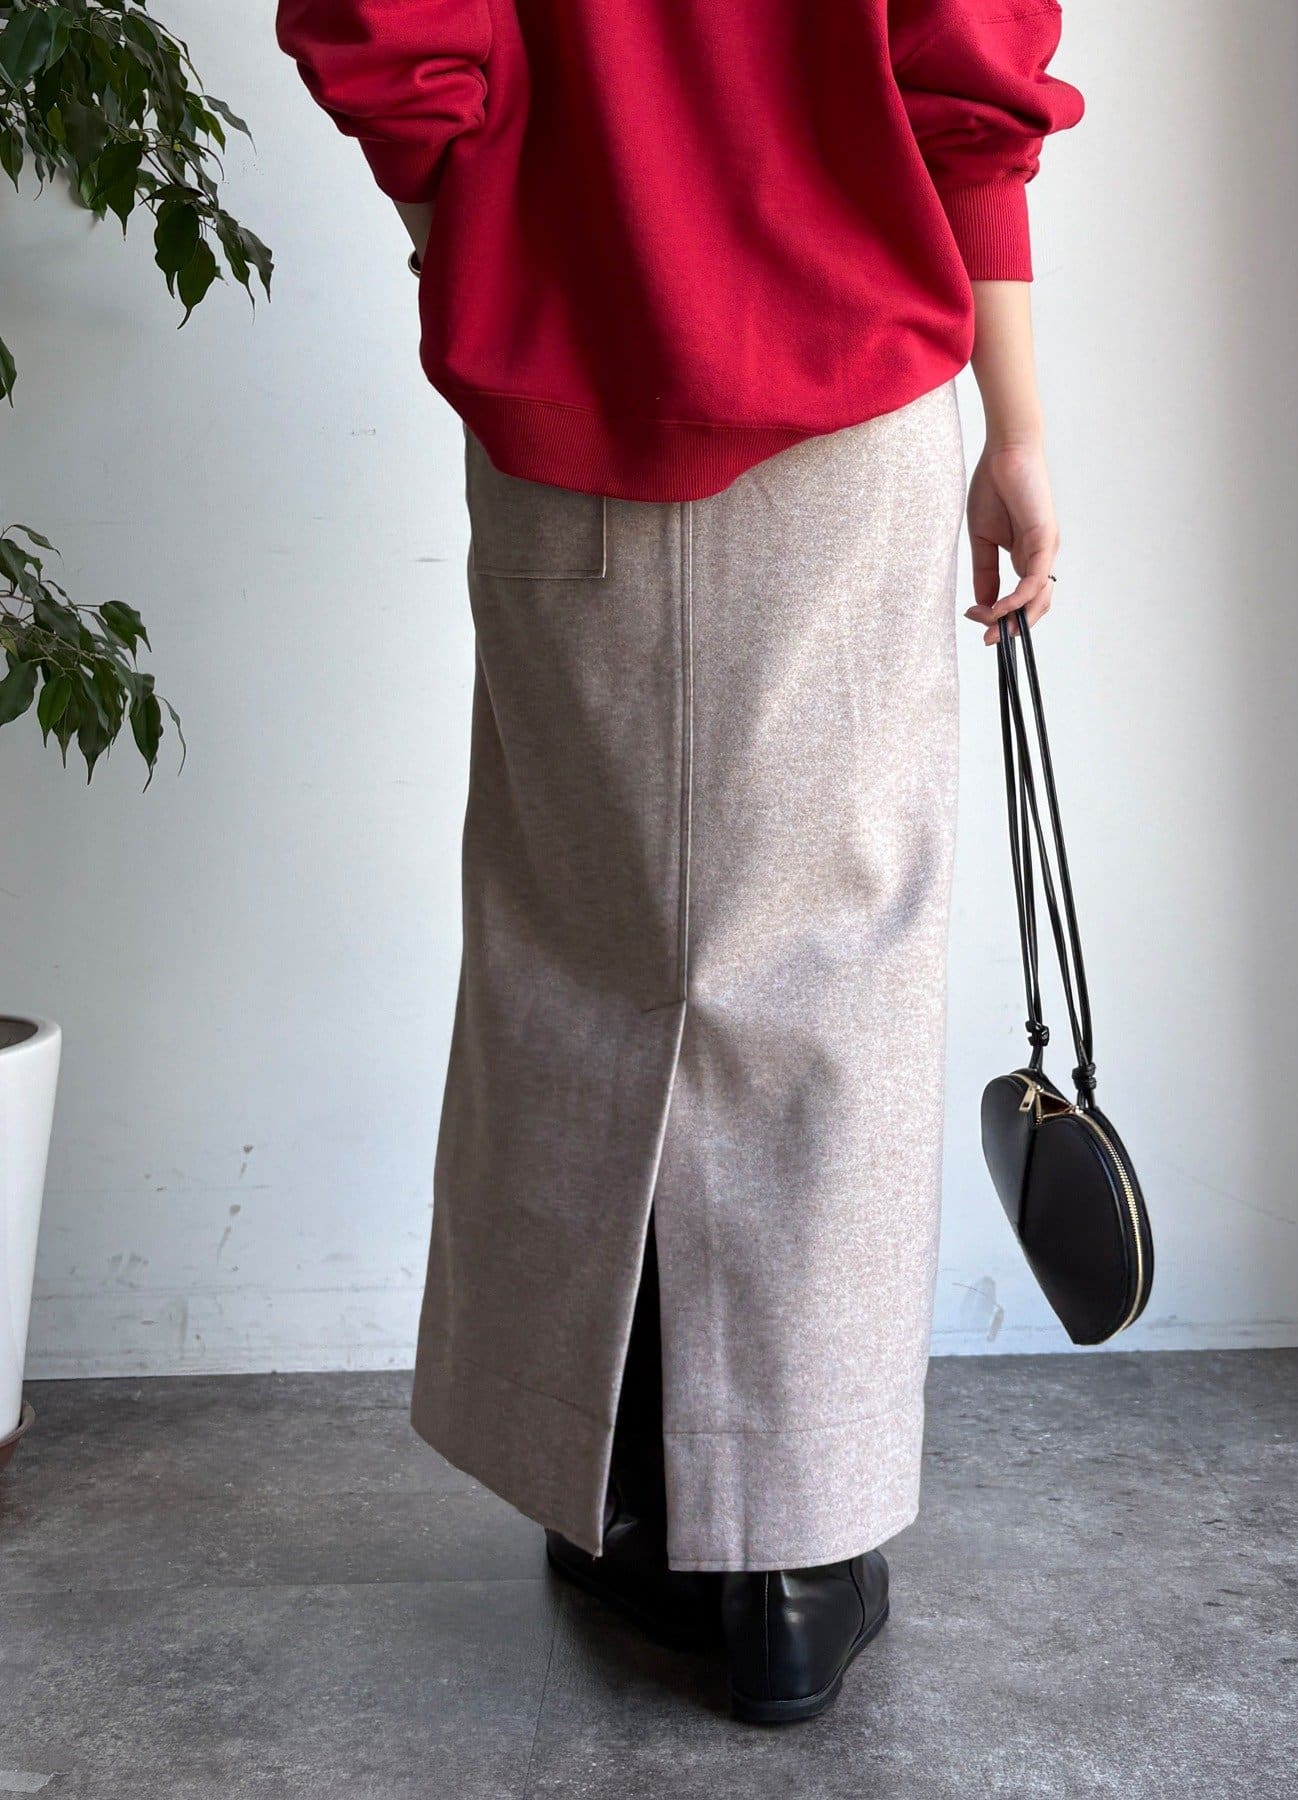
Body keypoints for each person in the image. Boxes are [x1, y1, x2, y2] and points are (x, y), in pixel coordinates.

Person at [276, 0, 1082, 1724]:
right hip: (853, 395)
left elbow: (377, 24)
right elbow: (967, 79)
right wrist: (1014, 428)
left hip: (561, 386)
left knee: (586, 947)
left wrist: (492, 236)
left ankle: (622, 1493)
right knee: (829, 969)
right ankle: (793, 1562)